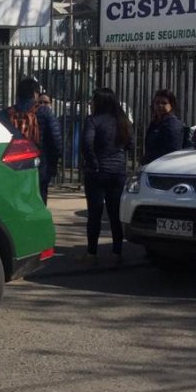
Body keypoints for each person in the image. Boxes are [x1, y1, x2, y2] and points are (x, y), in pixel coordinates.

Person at [80, 87, 133, 266]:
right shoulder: (122, 121)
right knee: (114, 213)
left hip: (97, 173)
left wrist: (93, 163)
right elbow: (131, 144)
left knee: (94, 213)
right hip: (117, 172)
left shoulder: (93, 121)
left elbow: (86, 143)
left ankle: (91, 253)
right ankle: (116, 252)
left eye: (93, 100)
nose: (91, 103)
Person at [5, 77, 63, 203]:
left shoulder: (7, 113)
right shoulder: (44, 112)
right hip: (39, 164)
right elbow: (56, 139)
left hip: (12, 165)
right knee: (39, 198)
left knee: (16, 199)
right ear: (35, 94)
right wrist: (54, 163)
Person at [141, 89, 185, 165]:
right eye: (157, 103)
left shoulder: (172, 124)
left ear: (171, 105)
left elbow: (173, 150)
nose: (159, 106)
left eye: (164, 103)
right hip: (153, 164)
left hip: (164, 165)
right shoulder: (156, 122)